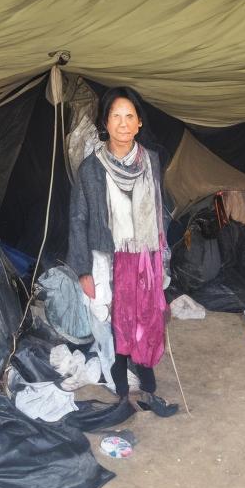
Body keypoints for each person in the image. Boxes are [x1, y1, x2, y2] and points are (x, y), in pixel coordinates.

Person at [67, 86, 177, 417]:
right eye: (116, 116)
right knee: (113, 327)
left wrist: (163, 261)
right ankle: (120, 395)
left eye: (130, 116)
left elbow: (159, 213)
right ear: (105, 122)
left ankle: (149, 391)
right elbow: (78, 218)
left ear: (139, 123)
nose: (123, 123)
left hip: (144, 257)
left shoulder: (151, 162)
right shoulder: (91, 168)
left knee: (145, 321)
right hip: (105, 258)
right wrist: (84, 270)